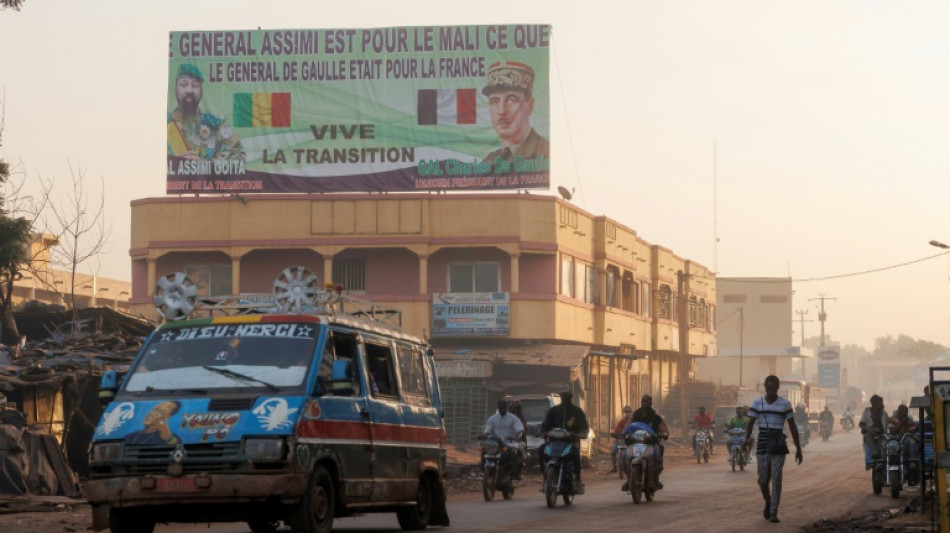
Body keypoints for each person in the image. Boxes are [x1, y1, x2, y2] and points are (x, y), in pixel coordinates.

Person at [744, 375, 803, 523]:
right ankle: (768, 501)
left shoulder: (785, 404)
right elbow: (750, 423)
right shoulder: (757, 403)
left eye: (773, 388)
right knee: (763, 480)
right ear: (765, 387)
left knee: (776, 478)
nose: (771, 390)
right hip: (762, 445)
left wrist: (798, 448)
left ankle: (774, 511)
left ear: (778, 388)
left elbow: (793, 427)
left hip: (778, 445)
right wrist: (746, 438)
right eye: (768, 387)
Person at [168, 63, 245, 162]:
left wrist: (205, 164)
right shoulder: (163, 123)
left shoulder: (217, 124)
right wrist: (174, 162)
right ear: (175, 88)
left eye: (195, 85)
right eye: (184, 85)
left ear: (201, 91)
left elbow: (240, 158)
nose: (189, 90)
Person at [481, 61, 550, 164]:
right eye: (494, 101)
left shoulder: (547, 153)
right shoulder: (489, 161)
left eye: (511, 100)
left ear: (530, 106)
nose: (501, 111)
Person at [539, 385, 590, 494]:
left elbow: (584, 428)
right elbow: (546, 425)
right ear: (560, 397)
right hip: (554, 442)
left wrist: (578, 434)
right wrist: (545, 432)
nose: (565, 398)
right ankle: (545, 477)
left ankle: (577, 479)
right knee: (541, 449)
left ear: (570, 397)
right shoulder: (553, 410)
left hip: (570, 442)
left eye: (567, 396)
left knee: (575, 452)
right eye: (563, 396)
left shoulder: (577, 411)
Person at [631, 394, 670, 489]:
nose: (644, 403)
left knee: (657, 455)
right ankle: (629, 479)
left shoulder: (655, 417)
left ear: (651, 403)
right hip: (636, 443)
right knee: (624, 456)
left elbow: (663, 427)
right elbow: (628, 425)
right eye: (643, 401)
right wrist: (623, 432)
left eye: (646, 401)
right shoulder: (636, 415)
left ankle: (655, 479)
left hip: (651, 443)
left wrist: (665, 433)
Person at [484, 398, 525, 480]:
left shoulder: (513, 419)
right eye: (500, 407)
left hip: (509, 444)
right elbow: (487, 430)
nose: (502, 409)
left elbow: (519, 431)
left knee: (513, 456)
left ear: (506, 408)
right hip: (495, 445)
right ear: (498, 408)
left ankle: (513, 476)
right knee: (484, 452)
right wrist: (485, 435)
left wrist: (517, 437)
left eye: (503, 407)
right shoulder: (492, 418)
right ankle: (484, 470)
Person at [860, 394, 888, 466]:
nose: (882, 405)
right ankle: (874, 452)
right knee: (867, 436)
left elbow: (888, 424)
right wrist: (869, 430)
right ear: (874, 404)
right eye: (880, 403)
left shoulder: (884, 413)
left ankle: (881, 460)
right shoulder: (866, 412)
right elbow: (861, 424)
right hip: (870, 434)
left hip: (882, 435)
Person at [609, 405, 634, 473]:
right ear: (624, 413)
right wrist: (614, 433)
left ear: (631, 412)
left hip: (630, 441)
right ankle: (614, 467)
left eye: (629, 412)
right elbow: (617, 429)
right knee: (613, 451)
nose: (628, 413)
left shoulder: (634, 421)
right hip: (621, 440)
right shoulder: (622, 421)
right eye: (626, 412)